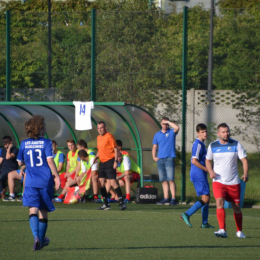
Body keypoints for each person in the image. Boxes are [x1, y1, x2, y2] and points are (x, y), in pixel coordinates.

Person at [17, 115, 60, 250]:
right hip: (44, 181)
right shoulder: (47, 142)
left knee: (32, 209)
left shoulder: (24, 143)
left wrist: (25, 167)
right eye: (44, 126)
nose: (46, 128)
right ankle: (41, 240)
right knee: (43, 210)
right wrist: (57, 176)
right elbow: (49, 161)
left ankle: (36, 236)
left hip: (30, 181)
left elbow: (20, 162)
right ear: (40, 129)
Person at [205, 123, 248, 238]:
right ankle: (222, 230)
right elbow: (208, 160)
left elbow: (244, 160)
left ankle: (239, 231)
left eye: (227, 131)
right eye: (223, 132)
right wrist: (210, 171)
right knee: (219, 203)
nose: (226, 134)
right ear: (218, 134)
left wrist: (245, 173)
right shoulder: (212, 146)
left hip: (233, 182)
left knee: (236, 207)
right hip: (218, 181)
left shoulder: (236, 144)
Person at [180, 124, 214, 228]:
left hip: (200, 173)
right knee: (206, 198)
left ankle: (204, 223)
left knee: (205, 196)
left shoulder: (202, 144)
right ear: (198, 133)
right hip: (198, 173)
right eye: (202, 132)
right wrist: (207, 169)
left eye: (205, 131)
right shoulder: (198, 144)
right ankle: (186, 214)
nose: (205, 134)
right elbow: (194, 161)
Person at [94, 121, 126, 210]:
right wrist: (96, 157)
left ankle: (121, 202)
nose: (100, 129)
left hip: (110, 161)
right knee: (100, 183)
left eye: (101, 127)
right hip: (102, 163)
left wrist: (115, 161)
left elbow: (116, 150)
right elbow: (100, 150)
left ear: (105, 128)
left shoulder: (110, 136)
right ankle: (105, 204)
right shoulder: (98, 138)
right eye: (98, 128)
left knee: (113, 182)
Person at [152, 117, 179, 206]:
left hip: (169, 158)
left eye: (166, 124)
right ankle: (166, 198)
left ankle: (173, 198)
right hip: (160, 159)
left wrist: (168, 121)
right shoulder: (157, 134)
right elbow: (155, 146)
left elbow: (177, 128)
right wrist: (154, 157)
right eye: (163, 123)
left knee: (170, 179)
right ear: (161, 124)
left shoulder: (171, 132)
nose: (165, 125)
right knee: (163, 180)